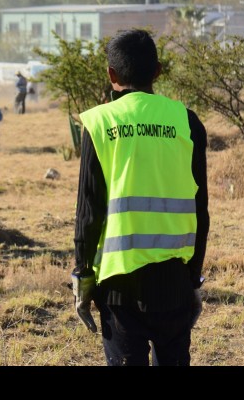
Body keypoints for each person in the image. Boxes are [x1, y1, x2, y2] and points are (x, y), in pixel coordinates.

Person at [72, 29, 209, 366]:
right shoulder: (186, 121)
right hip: (175, 281)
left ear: (111, 74)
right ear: (158, 71)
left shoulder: (100, 122)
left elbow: (89, 211)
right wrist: (194, 279)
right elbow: (200, 209)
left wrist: (83, 275)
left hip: (118, 285)